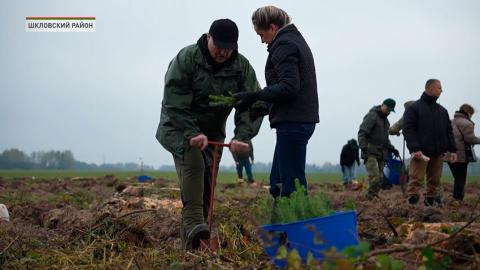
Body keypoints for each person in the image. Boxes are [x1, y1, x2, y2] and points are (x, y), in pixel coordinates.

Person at [155, 19, 261, 250]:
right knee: (194, 166)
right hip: (179, 126)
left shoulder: (241, 67)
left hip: (213, 132)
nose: (223, 52)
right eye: (218, 46)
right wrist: (192, 132)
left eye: (228, 48)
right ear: (208, 37)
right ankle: (195, 225)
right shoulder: (187, 58)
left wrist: (242, 136)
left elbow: (253, 104)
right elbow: (174, 101)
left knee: (207, 185)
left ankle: (194, 247)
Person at [233, 6, 319, 198]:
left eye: (261, 34)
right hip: (297, 119)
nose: (262, 40)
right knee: (278, 183)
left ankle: (301, 226)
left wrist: (254, 95)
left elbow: (289, 87)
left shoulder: (284, 44)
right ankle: (278, 226)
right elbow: (290, 90)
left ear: (272, 28)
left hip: (294, 122)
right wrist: (261, 107)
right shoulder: (294, 39)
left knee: (291, 186)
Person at [403, 79, 457, 207]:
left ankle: (429, 209)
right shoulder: (414, 108)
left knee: (434, 181)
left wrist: (453, 149)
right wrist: (415, 148)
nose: (441, 90)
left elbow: (449, 131)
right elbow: (408, 130)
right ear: (430, 88)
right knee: (416, 180)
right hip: (420, 153)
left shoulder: (442, 111)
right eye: (439, 88)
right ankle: (411, 209)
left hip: (438, 152)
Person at [358, 98, 399, 199]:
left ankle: (373, 196)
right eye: (387, 109)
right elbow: (362, 132)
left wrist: (392, 148)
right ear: (382, 105)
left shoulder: (386, 122)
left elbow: (385, 139)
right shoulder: (372, 116)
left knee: (380, 179)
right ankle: (369, 198)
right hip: (370, 151)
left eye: (390, 110)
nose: (388, 111)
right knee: (375, 177)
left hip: (381, 153)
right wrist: (363, 146)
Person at [447, 104, 480, 201]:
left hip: (448, 154)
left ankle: (455, 199)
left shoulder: (450, 122)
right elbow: (470, 139)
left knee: (457, 177)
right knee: (460, 179)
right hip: (460, 155)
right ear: (469, 113)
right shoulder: (467, 123)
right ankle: (457, 200)